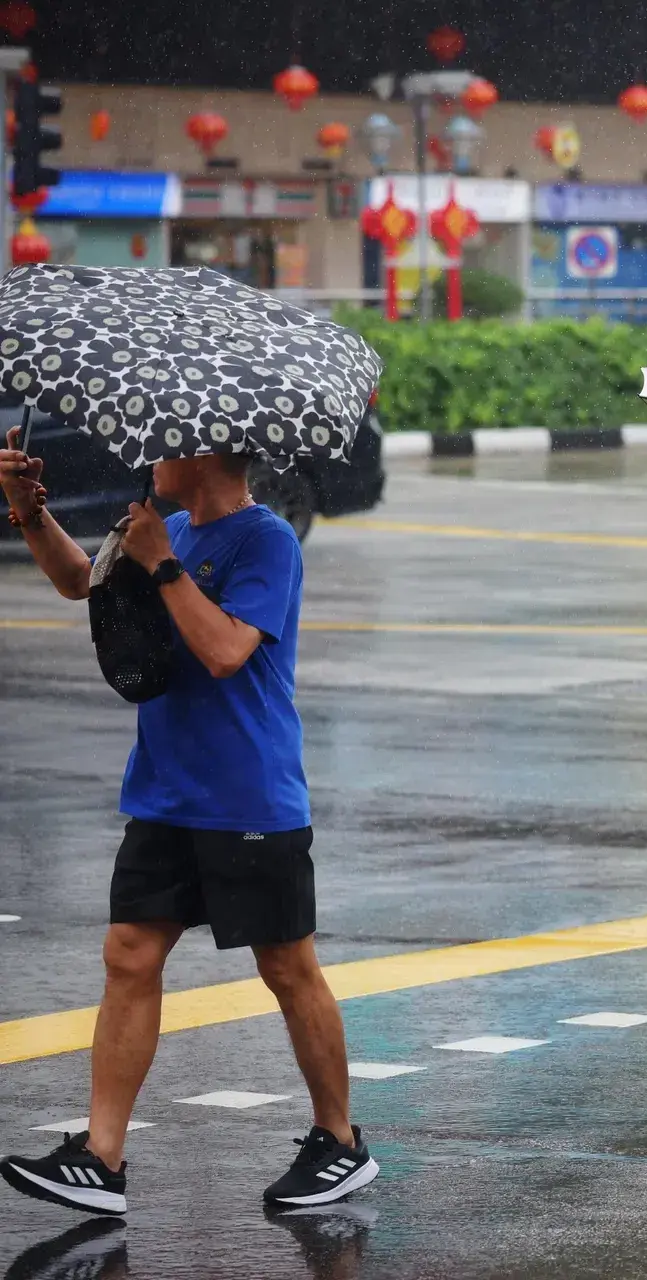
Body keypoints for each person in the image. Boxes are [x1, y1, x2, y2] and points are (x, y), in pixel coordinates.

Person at [0, 427, 376, 1216]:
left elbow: (226, 650)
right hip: (164, 793)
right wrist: (30, 512)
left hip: (249, 797)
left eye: (168, 446)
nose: (151, 456)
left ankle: (339, 1142)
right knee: (130, 954)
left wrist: (164, 567)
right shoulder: (162, 528)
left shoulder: (265, 541)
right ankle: (102, 1156)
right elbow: (80, 582)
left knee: (287, 969)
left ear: (207, 455)